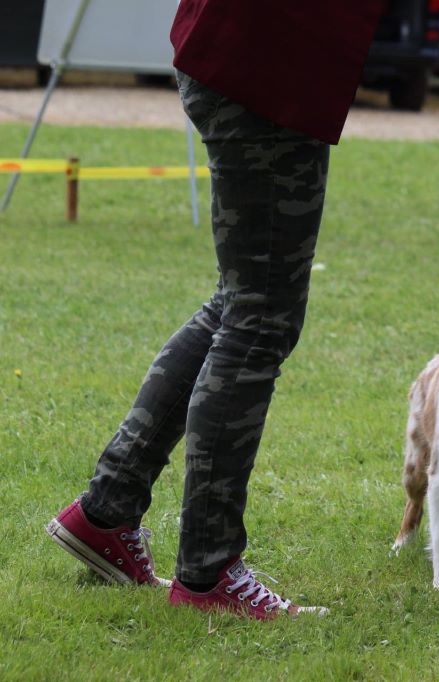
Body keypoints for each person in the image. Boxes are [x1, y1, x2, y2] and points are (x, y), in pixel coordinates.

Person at [46, 0, 387, 620]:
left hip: (239, 51)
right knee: (260, 317)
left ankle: (108, 509)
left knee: (242, 302)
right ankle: (209, 574)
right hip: (265, 62)